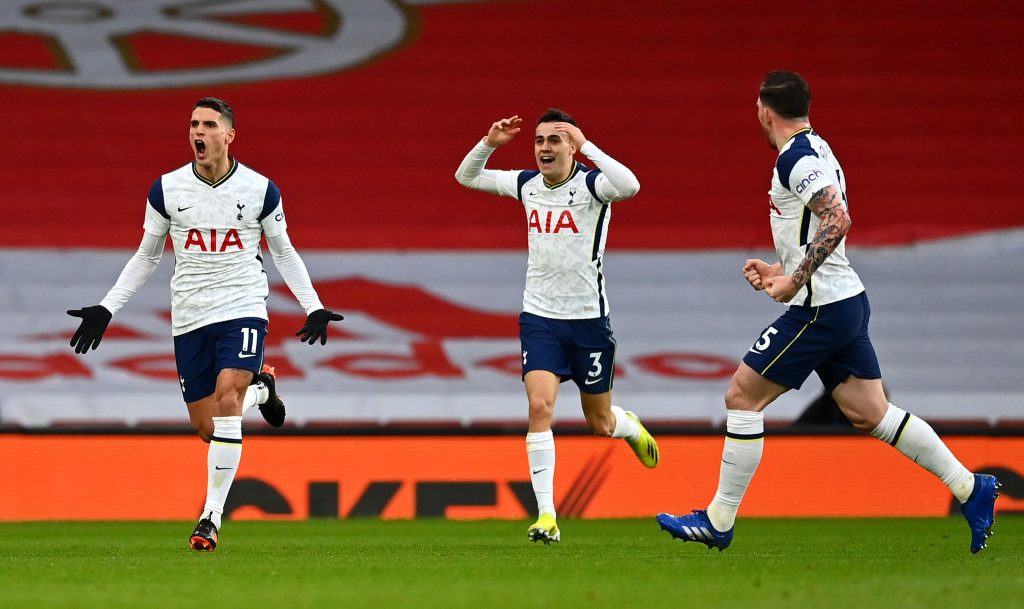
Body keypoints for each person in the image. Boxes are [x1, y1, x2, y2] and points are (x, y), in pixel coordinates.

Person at [656, 71, 1000, 554]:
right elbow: (819, 227)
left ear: (764, 111)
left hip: (819, 308)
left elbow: (838, 218)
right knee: (871, 412)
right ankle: (970, 487)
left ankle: (718, 520)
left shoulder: (795, 158)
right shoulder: (819, 148)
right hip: (843, 301)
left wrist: (794, 280)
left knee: (742, 397)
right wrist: (781, 267)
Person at [67, 97, 343, 552]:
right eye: (194, 124)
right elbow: (147, 256)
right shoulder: (167, 189)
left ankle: (210, 518)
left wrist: (312, 305)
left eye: (209, 124)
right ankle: (263, 390)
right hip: (190, 314)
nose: (199, 131)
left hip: (242, 305)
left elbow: (283, 251)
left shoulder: (260, 190)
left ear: (229, 135)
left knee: (228, 395)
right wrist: (107, 308)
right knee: (208, 427)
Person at [455, 108, 659, 544]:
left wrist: (589, 146)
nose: (544, 148)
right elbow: (466, 177)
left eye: (554, 140)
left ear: (571, 147)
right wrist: (489, 143)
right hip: (540, 318)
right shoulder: (526, 184)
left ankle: (628, 425)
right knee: (539, 407)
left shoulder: (593, 186)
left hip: (588, 322)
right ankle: (546, 515)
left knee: (599, 423)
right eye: (539, 140)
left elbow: (631, 185)